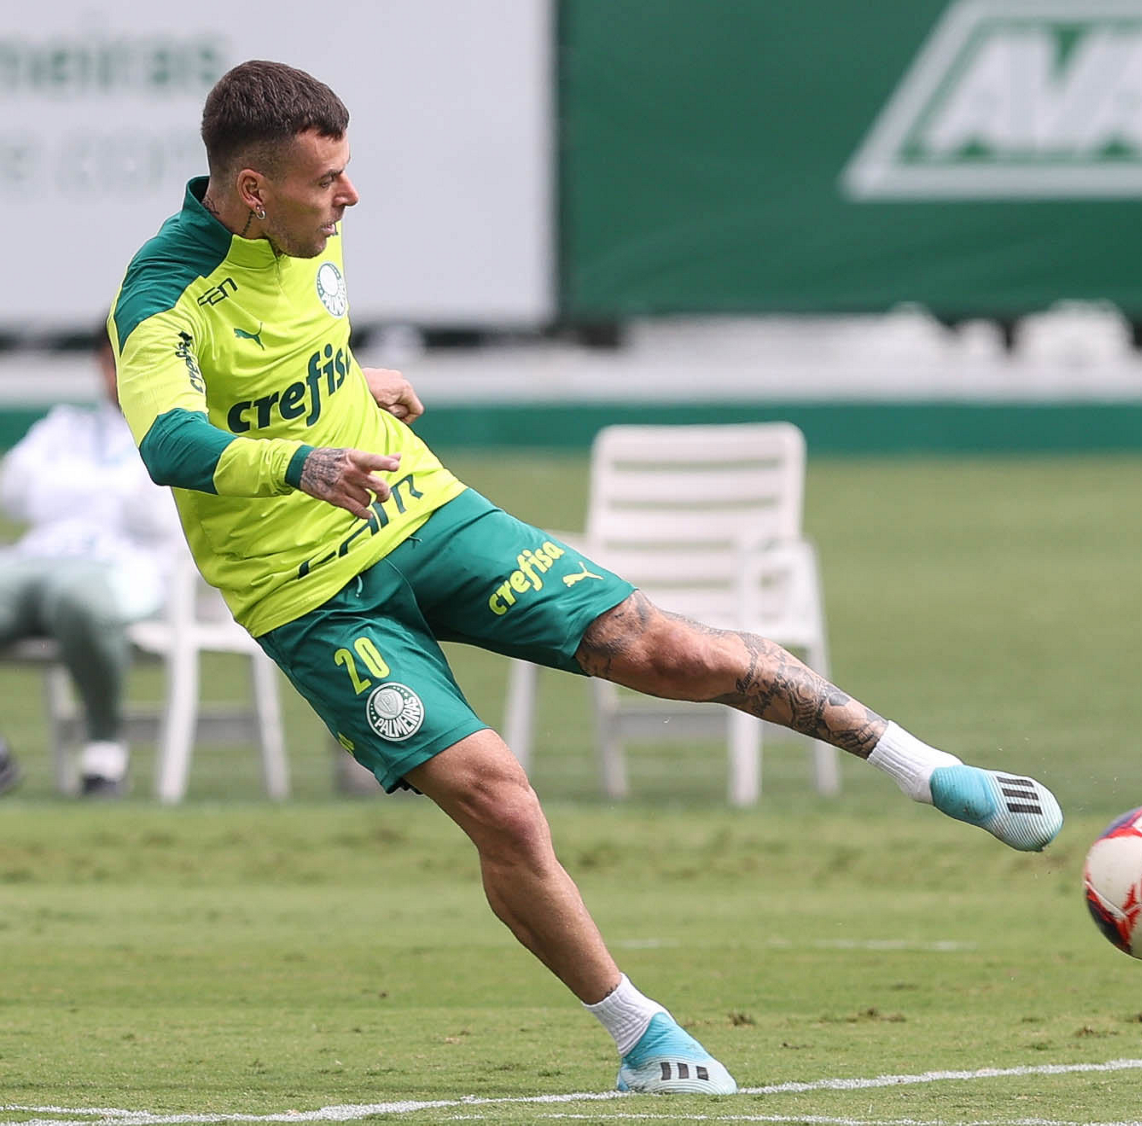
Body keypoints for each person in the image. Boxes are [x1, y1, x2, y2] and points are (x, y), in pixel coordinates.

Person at [109, 60, 1063, 1095]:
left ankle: (929, 771)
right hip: (312, 597)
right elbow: (170, 441)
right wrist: (303, 462)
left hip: (419, 511)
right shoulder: (161, 295)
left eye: (347, 171)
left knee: (666, 649)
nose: (350, 196)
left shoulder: (309, 236)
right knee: (501, 804)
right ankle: (640, 1036)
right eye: (326, 180)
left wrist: (349, 380)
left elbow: (283, 351)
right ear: (253, 190)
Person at [0, 327, 184, 796]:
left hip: (129, 569)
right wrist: (111, 490)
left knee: (78, 599)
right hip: (40, 558)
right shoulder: (66, 426)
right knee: (49, 589)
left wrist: (62, 486)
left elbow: (159, 516)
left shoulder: (180, 430)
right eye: (110, 360)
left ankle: (105, 747)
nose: (119, 374)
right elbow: (14, 490)